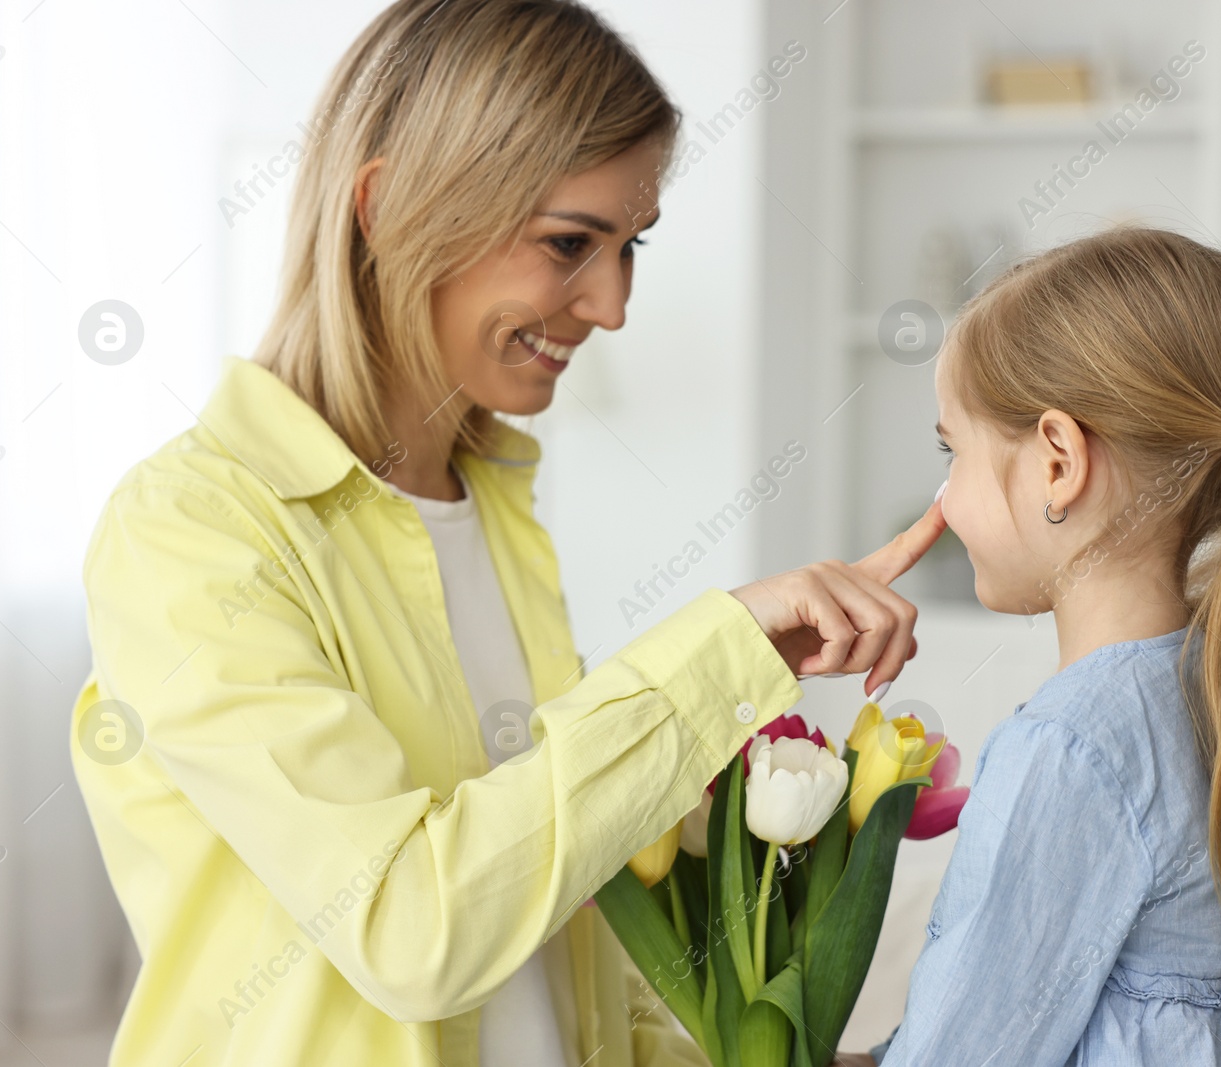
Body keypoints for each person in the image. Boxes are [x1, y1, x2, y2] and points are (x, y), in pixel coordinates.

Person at [67, 2, 944, 1064]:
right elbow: (410, 929)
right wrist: (715, 653)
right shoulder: (191, 530)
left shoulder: (495, 506)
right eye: (571, 242)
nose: (612, 304)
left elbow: (555, 949)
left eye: (631, 248)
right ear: (387, 205)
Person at [845, 227, 1221, 1067]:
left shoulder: (1070, 747)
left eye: (955, 450)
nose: (942, 498)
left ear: (1058, 462)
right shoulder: (1219, 680)